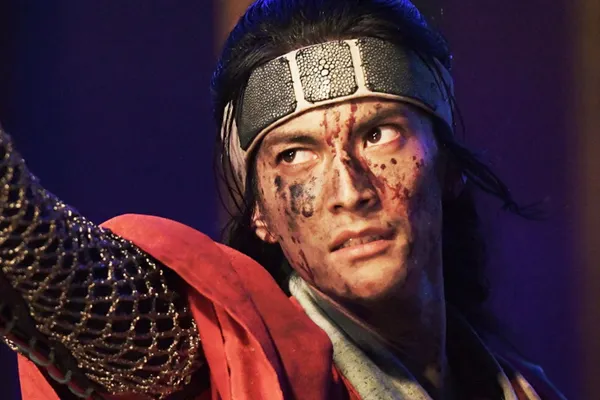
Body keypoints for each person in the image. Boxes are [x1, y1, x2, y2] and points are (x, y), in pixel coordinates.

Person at [0, 0, 566, 399]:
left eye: (378, 134)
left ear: (446, 166)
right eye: (296, 154)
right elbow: (83, 285)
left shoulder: (522, 388)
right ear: (259, 213)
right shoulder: (239, 363)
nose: (350, 190)